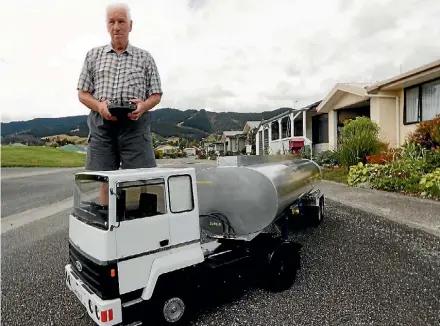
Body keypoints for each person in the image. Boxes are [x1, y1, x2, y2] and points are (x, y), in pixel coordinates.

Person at [77, 3, 162, 205]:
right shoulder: (93, 55)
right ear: (107, 26)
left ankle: (141, 221)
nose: (117, 26)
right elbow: (82, 94)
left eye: (121, 21)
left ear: (130, 25)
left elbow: (156, 94)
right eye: (112, 22)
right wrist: (99, 107)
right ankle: (109, 221)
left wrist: (144, 106)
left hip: (135, 124)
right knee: (105, 178)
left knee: (142, 178)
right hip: (101, 125)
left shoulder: (145, 57)